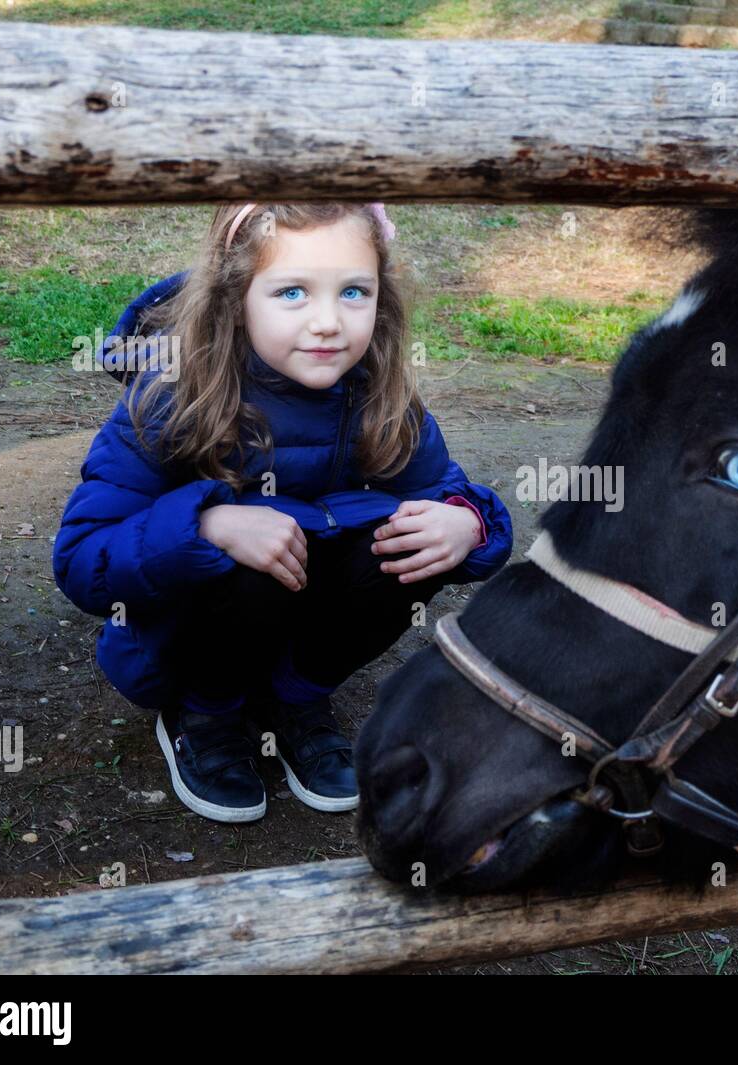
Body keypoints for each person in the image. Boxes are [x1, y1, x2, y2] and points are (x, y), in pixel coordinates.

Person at [52, 202, 513, 824]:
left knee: (410, 534)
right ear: (235, 296)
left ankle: (297, 697)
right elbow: (83, 559)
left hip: (301, 623)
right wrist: (205, 525)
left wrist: (467, 523)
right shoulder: (170, 397)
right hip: (188, 638)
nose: (328, 322)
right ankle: (207, 713)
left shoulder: (383, 396)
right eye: (292, 291)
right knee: (249, 545)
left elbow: (444, 490)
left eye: (354, 291)